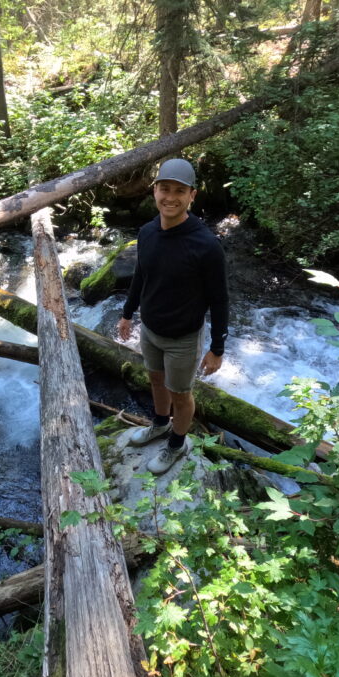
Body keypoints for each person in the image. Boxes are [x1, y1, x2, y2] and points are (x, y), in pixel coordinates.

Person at [117, 157, 229, 474]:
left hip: (183, 336)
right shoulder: (148, 232)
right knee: (154, 378)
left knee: (181, 393)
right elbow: (141, 276)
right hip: (150, 329)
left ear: (192, 195)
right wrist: (127, 314)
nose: (170, 197)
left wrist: (217, 348)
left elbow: (220, 300)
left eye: (179, 191)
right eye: (165, 189)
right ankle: (159, 424)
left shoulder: (206, 246)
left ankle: (177, 444)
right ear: (155, 191)